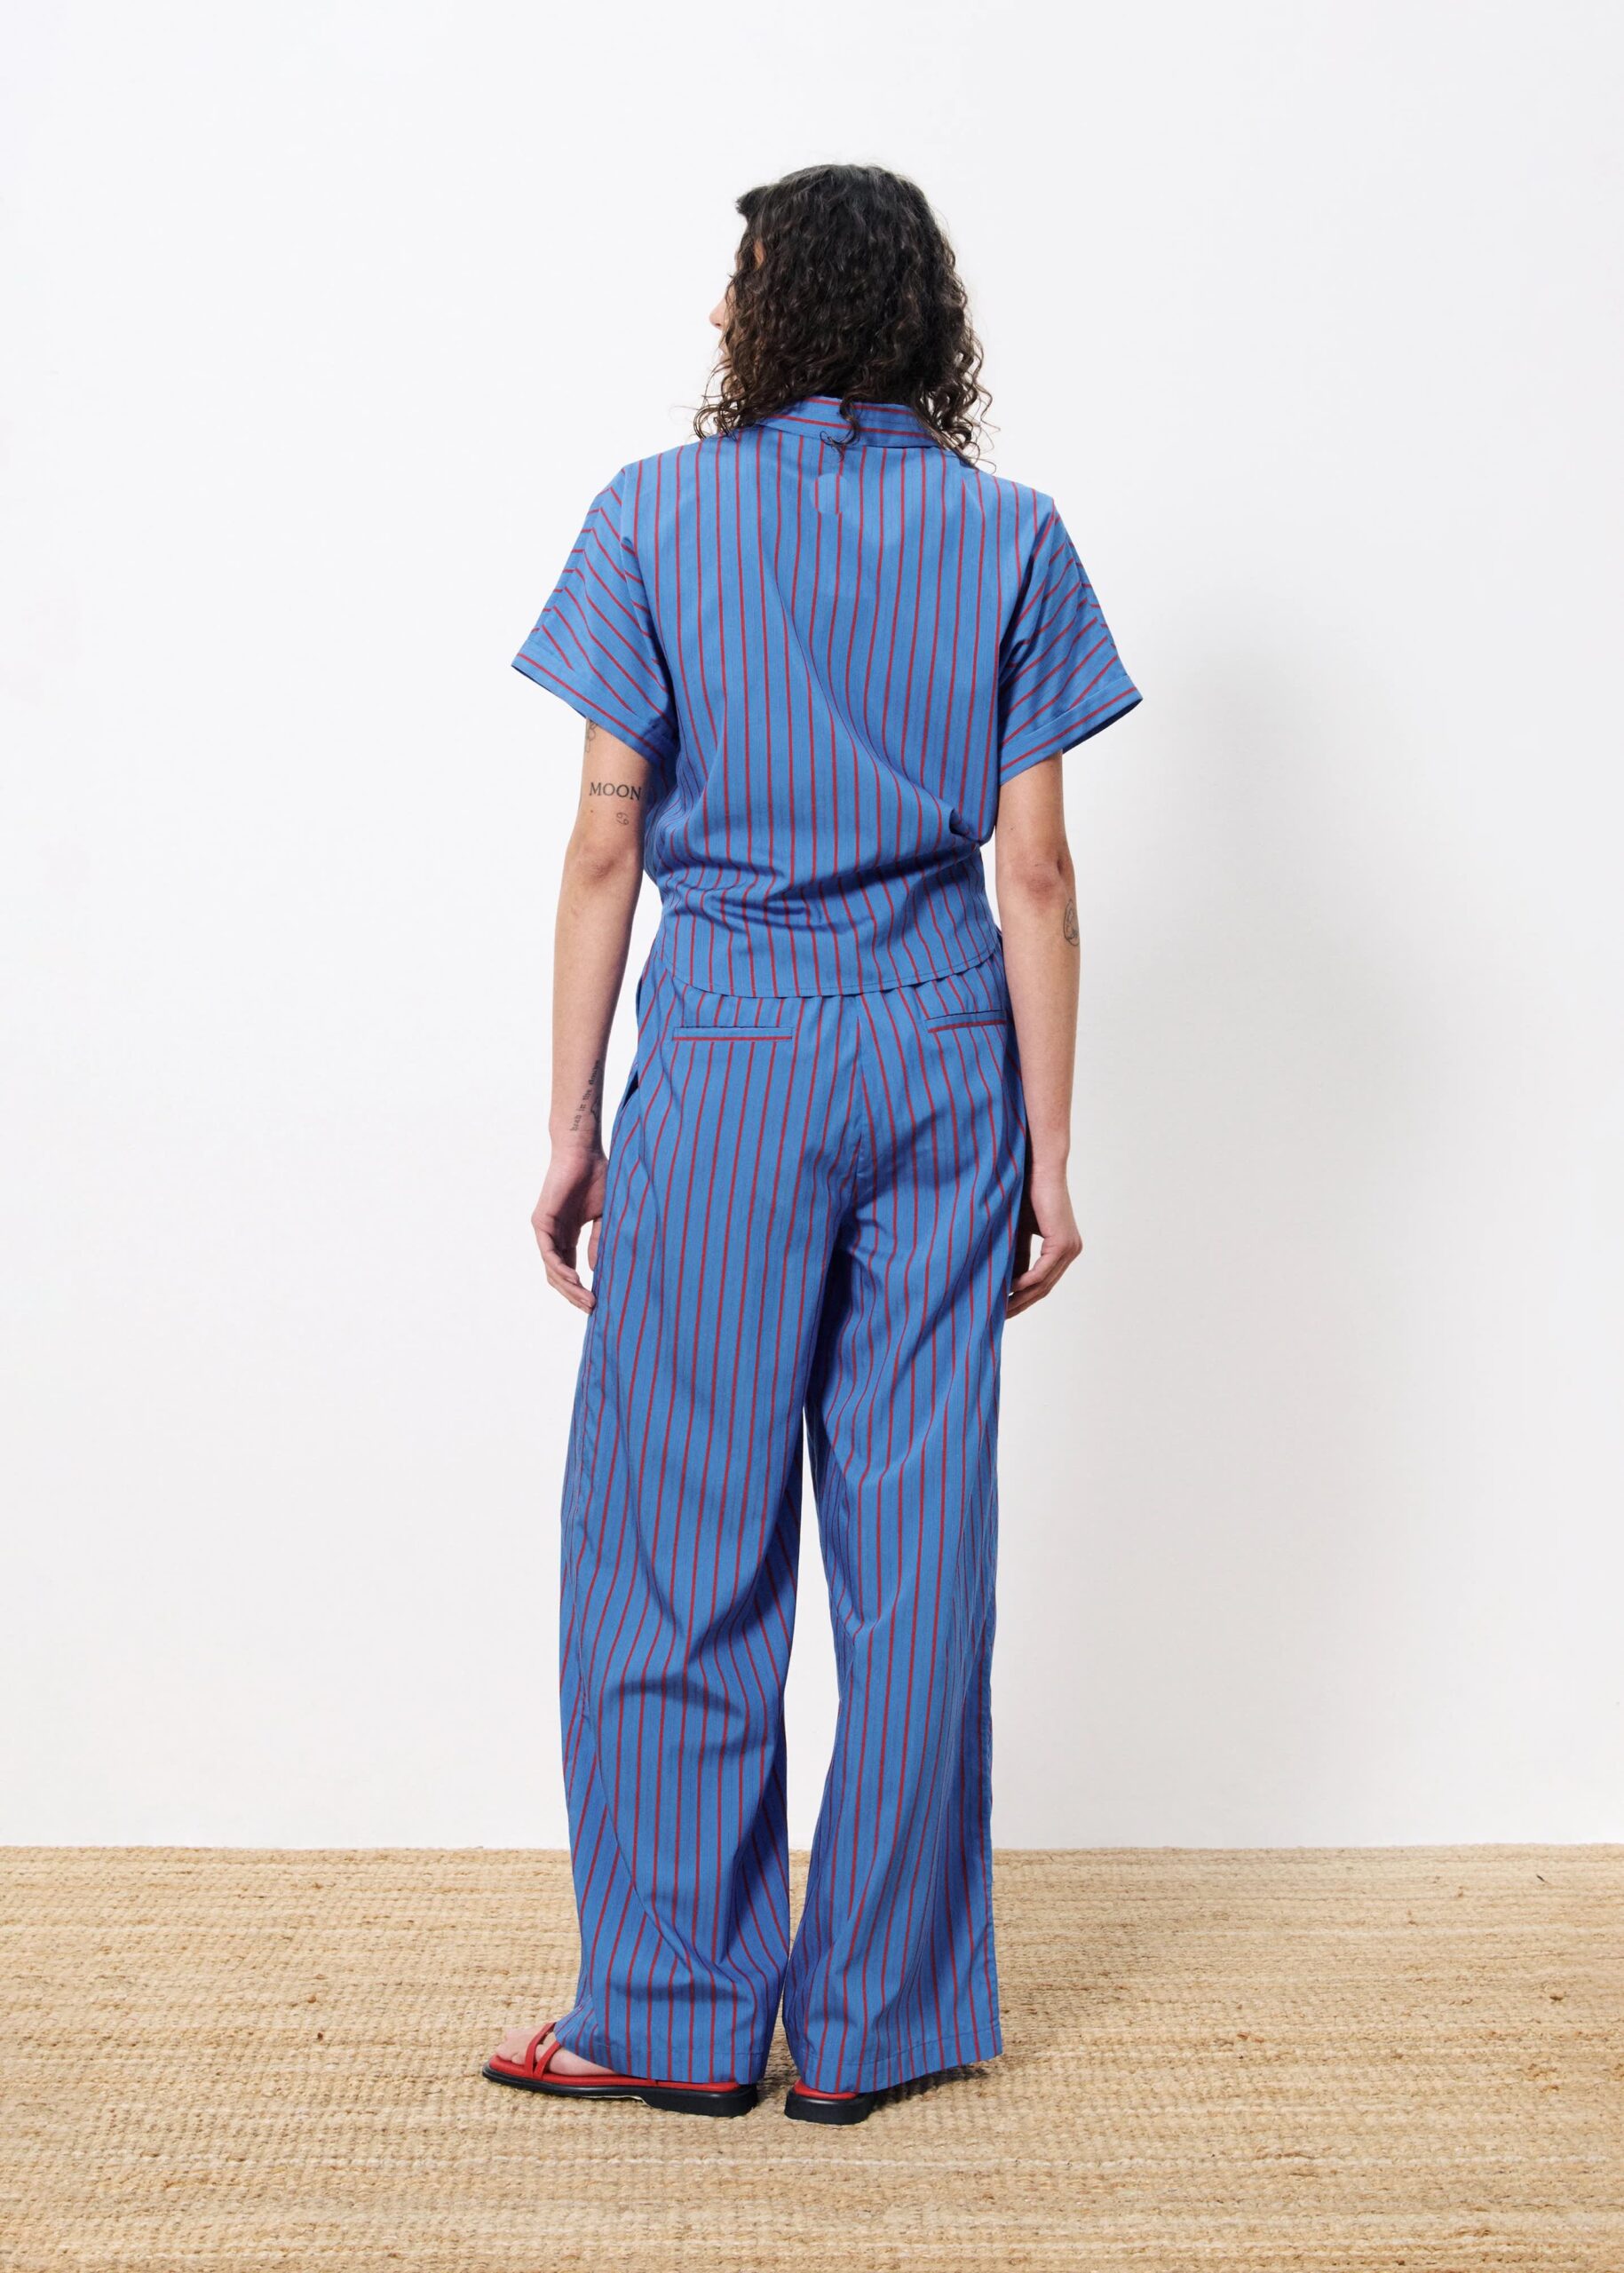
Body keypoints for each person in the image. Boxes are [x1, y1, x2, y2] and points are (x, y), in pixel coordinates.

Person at [483, 162, 1141, 2126]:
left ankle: (672, 2012)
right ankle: (879, 2024)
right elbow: (1037, 874)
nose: (711, 312)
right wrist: (1049, 1148)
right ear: (921, 316)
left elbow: (606, 836)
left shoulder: (653, 515)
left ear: (771, 311)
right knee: (917, 1549)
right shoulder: (1010, 534)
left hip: (733, 1054)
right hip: (943, 1052)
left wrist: (570, 1124)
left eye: (734, 281)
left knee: (675, 1539)